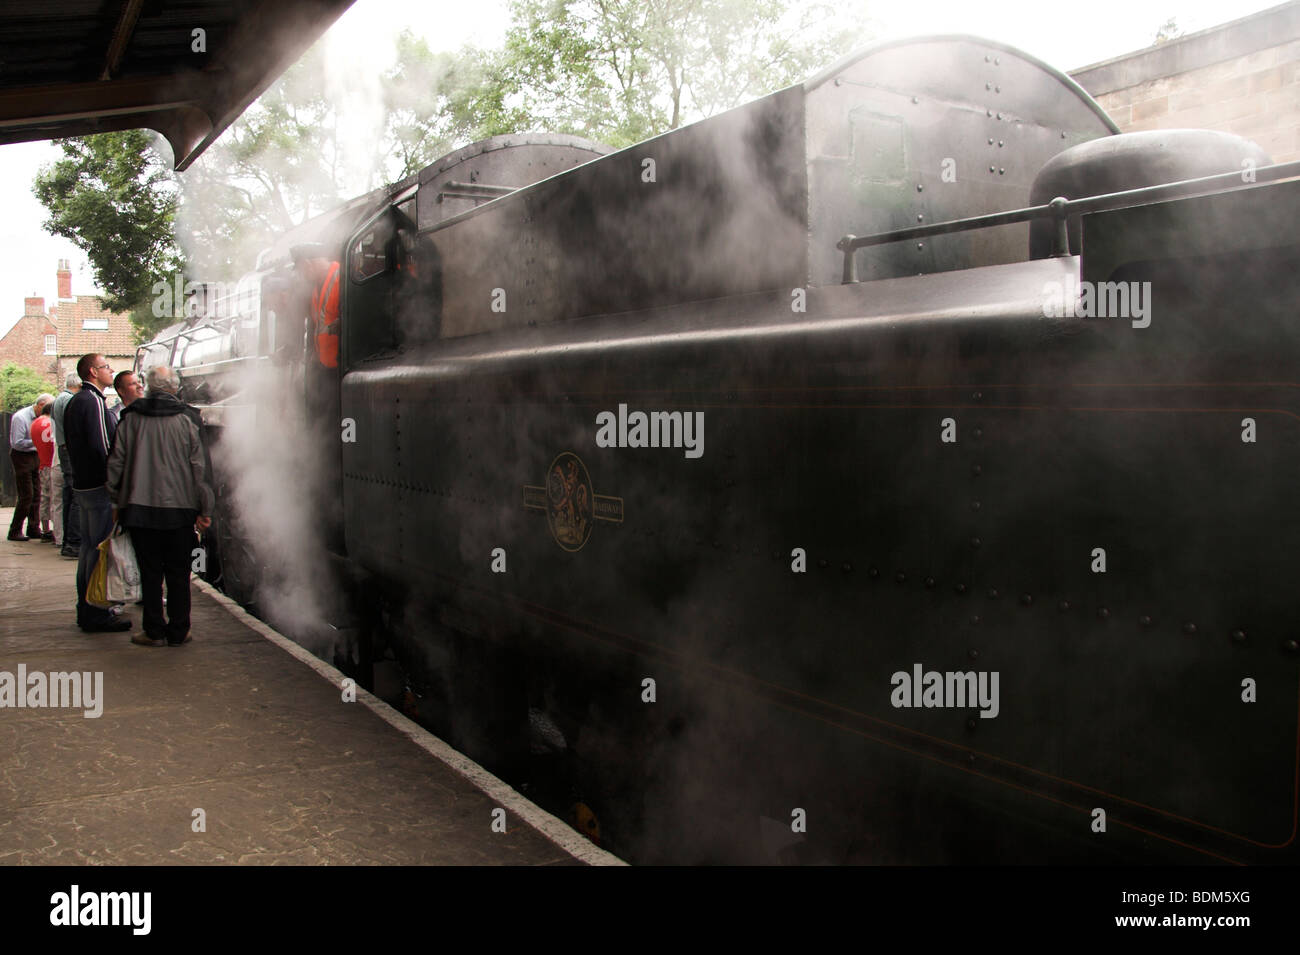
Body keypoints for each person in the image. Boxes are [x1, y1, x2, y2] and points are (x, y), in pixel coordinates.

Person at [108, 365, 214, 647]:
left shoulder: (130, 418)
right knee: (179, 574)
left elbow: (116, 463)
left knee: (150, 573)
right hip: (180, 512)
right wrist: (205, 510)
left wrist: (115, 500)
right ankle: (180, 631)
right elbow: (200, 470)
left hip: (139, 510)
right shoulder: (189, 418)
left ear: (149, 386)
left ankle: (153, 630)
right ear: (175, 387)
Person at [65, 354, 130, 633]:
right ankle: (96, 611)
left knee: (88, 549)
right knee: (99, 550)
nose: (110, 370)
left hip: (82, 484)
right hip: (97, 486)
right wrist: (114, 481)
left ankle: (86, 607)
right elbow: (102, 446)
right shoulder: (92, 401)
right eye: (105, 367)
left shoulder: (76, 400)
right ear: (93, 372)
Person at [7, 393, 52, 541]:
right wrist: (38, 442)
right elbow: (17, 442)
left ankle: (33, 528)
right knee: (27, 495)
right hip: (22, 456)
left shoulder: (39, 419)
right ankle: (15, 530)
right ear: (40, 405)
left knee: (37, 493)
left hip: (35, 455)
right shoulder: (21, 417)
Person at [51, 374, 81, 557]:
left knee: (68, 495)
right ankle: (73, 541)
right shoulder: (69, 400)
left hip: (63, 449)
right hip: (69, 450)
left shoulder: (58, 400)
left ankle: (67, 540)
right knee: (76, 494)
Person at [30, 401, 58, 542]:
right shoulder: (51, 423)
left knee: (44, 498)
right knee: (55, 500)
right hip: (52, 463)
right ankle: (57, 532)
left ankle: (45, 528)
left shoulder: (35, 423)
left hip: (42, 464)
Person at [106, 370, 143, 434]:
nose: (140, 386)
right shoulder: (113, 416)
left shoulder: (149, 410)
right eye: (133, 383)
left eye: (139, 382)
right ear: (121, 391)